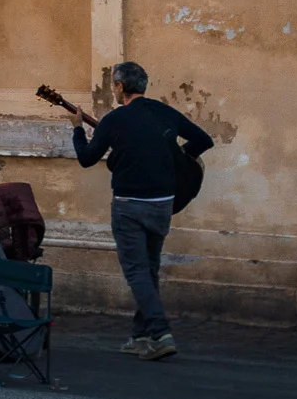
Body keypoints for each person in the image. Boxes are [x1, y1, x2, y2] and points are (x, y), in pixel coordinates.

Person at [67, 61, 215, 362]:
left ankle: (161, 332)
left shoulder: (114, 119)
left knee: (136, 271)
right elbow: (204, 140)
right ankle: (141, 335)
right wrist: (178, 157)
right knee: (148, 269)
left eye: (113, 85)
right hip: (162, 204)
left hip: (128, 206)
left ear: (120, 87)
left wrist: (77, 129)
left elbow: (85, 159)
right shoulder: (164, 113)